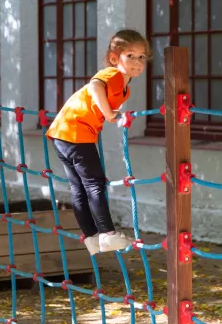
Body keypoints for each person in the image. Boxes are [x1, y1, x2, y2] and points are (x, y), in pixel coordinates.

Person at [46, 30, 151, 255]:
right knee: (94, 184)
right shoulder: (112, 74)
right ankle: (108, 234)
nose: (137, 61)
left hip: (62, 132)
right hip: (76, 132)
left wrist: (109, 112)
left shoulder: (124, 87)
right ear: (114, 58)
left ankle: (92, 237)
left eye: (142, 57)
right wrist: (109, 113)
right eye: (130, 55)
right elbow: (94, 86)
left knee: (79, 188)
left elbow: (98, 98)